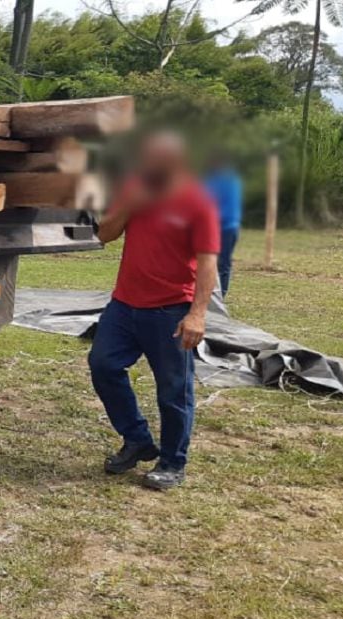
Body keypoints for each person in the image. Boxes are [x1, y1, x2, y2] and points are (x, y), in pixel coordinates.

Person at [88, 131, 220, 491]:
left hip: (170, 311)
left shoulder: (199, 203)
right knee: (103, 365)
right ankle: (137, 440)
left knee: (173, 391)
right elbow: (104, 234)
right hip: (124, 305)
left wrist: (197, 315)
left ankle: (173, 462)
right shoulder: (134, 187)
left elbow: (209, 264)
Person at [204, 156, 243, 296]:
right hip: (225, 227)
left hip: (224, 227)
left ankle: (220, 295)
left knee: (221, 264)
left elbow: (225, 210)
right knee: (219, 263)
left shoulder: (225, 180)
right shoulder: (216, 179)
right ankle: (216, 294)